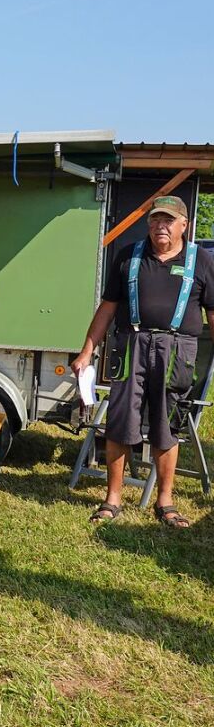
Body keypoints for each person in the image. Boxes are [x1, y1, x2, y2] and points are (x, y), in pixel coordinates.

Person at [71, 195, 214, 527]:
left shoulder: (201, 261)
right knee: (120, 423)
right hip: (131, 344)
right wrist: (86, 350)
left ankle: (165, 502)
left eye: (168, 220)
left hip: (177, 349)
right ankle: (112, 499)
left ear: (184, 225)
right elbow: (107, 309)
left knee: (167, 425)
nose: (160, 226)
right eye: (154, 220)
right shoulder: (129, 256)